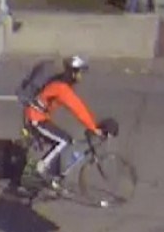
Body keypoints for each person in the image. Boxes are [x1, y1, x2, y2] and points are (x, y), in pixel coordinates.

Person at [23, 55, 105, 183]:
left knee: (63, 140)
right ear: (73, 73)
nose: (81, 76)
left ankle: (52, 177)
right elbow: (78, 108)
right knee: (64, 141)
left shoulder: (61, 82)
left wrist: (93, 124)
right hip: (36, 120)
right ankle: (40, 168)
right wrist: (93, 128)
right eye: (80, 73)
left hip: (40, 117)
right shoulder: (62, 88)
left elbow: (80, 106)